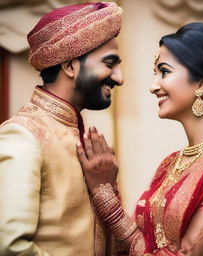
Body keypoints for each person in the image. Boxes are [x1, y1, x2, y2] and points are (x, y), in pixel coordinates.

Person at [77, 22, 203, 255]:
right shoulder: (171, 163)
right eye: (155, 74)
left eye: (164, 71)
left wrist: (106, 196)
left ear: (202, 83)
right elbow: (135, 243)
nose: (153, 86)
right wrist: (108, 185)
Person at [0, 2, 123, 256]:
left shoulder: (76, 133)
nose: (120, 78)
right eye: (110, 63)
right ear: (70, 66)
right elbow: (11, 248)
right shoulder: (23, 135)